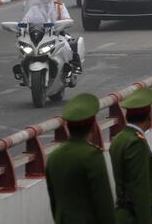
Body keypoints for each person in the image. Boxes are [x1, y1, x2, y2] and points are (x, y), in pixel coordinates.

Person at [46, 92, 116, 224]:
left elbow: (54, 202)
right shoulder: (91, 156)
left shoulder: (54, 158)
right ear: (93, 126)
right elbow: (104, 203)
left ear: (68, 126)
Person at [110, 88, 152, 224]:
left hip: (123, 213)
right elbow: (140, 188)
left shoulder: (119, 139)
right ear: (149, 116)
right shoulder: (136, 143)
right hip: (136, 217)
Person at [18, 0, 83, 78]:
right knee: (23, 48)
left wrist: (63, 23)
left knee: (68, 46)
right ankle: (22, 70)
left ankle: (74, 67)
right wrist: (22, 24)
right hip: (38, 35)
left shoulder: (59, 6)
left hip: (56, 33)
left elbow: (67, 19)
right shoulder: (33, 8)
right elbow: (26, 19)